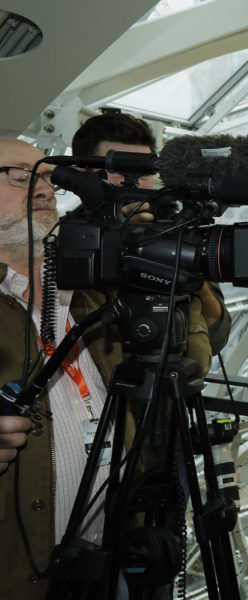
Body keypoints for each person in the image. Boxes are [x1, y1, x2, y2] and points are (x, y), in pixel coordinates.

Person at [0, 136, 220, 599]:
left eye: (46, 177)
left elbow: (190, 360)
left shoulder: (96, 291)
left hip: (107, 561)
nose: (42, 189)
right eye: (21, 176)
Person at [71, 111, 231, 349]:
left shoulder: (178, 230)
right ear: (81, 173)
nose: (132, 183)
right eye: (118, 170)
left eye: (144, 172)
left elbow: (217, 337)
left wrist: (185, 270)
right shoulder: (60, 240)